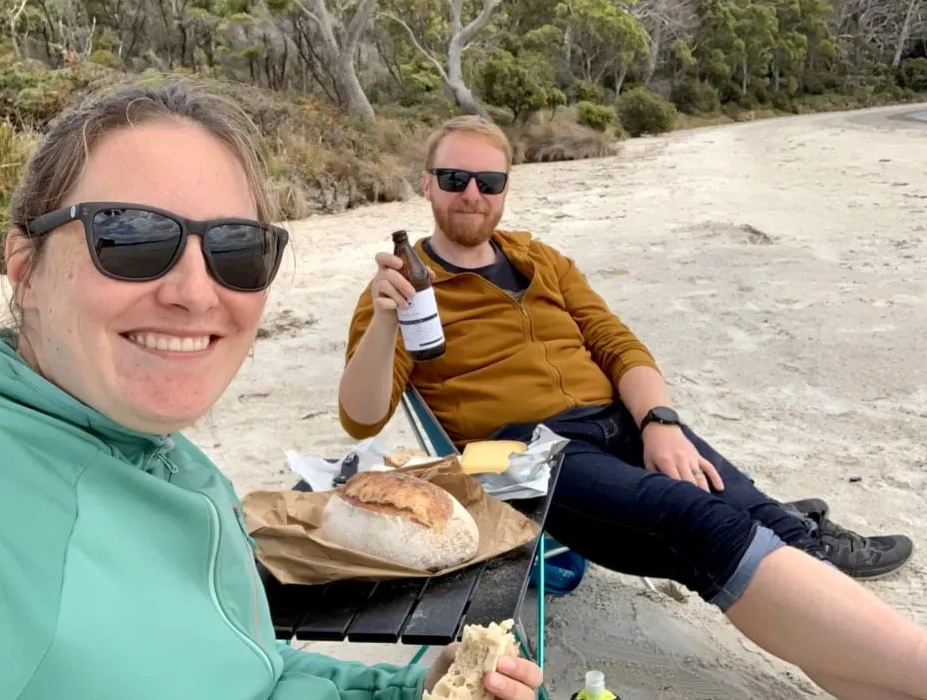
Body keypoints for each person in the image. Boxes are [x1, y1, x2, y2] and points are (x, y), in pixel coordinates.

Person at [0, 82, 544, 700]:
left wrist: (411, 689)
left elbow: (243, 666)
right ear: (25, 270)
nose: (195, 293)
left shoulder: (180, 467)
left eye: (236, 250)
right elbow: (363, 414)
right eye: (128, 236)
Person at [337, 115, 927, 700]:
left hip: (617, 421)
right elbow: (361, 417)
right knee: (700, 522)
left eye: (489, 182)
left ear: (505, 190)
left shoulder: (541, 259)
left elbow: (618, 345)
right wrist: (388, 316)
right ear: (426, 183)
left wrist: (660, 422)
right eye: (455, 177)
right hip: (515, 450)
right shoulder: (400, 287)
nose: (472, 194)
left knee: (766, 521)